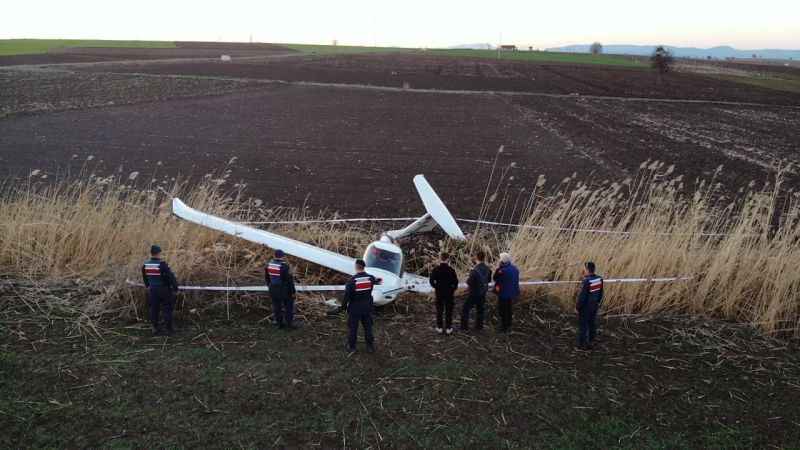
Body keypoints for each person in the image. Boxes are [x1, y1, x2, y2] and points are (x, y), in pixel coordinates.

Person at [342, 259, 380, 353]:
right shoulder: (370, 278)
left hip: (355, 308)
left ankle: (352, 347)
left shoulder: (352, 281)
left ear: (356, 267)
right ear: (364, 267)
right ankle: (370, 347)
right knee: (368, 327)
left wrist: (343, 307)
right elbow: (377, 281)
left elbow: (347, 296)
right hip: (367, 307)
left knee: (353, 328)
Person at [141, 244, 179, 335]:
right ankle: (169, 329)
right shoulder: (162, 264)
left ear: (151, 253)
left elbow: (145, 277)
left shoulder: (145, 265)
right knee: (167, 308)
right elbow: (171, 277)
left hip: (153, 290)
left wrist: (148, 286)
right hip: (164, 289)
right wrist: (175, 288)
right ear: (159, 253)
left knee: (154, 309)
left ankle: (155, 328)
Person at [266, 249, 297, 330]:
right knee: (288, 307)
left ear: (274, 255)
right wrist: (293, 292)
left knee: (277, 307)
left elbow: (267, 278)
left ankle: (279, 324)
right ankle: (289, 324)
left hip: (273, 289)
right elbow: (289, 281)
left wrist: (270, 286)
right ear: (283, 256)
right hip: (284, 290)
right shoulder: (284, 266)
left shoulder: (269, 265)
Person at [576, 261, 604, 350]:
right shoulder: (599, 279)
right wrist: (598, 302)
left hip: (585, 307)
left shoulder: (586, 281)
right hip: (594, 305)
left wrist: (578, 307)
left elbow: (582, 296)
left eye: (584, 269)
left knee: (583, 325)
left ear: (587, 270)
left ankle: (583, 344)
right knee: (592, 323)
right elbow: (601, 293)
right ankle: (592, 341)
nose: (583, 270)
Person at [429, 252, 459, 335]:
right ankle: (448, 328)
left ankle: (439, 327)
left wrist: (436, 287)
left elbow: (431, 281)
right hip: (449, 293)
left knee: (439, 310)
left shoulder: (436, 269)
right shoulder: (451, 270)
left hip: (439, 292)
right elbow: (456, 282)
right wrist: (453, 289)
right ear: (448, 259)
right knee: (449, 310)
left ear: (440, 258)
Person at [461, 250, 491, 331]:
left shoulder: (474, 270)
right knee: (480, 309)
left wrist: (467, 281)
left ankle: (464, 327)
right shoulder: (488, 269)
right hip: (483, 292)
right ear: (484, 258)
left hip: (474, 293)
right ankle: (479, 327)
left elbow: (470, 282)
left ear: (476, 258)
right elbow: (488, 280)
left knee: (465, 309)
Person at [493, 252, 520, 333]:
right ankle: (509, 324)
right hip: (512, 293)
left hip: (504, 293)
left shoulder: (502, 270)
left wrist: (498, 268)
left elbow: (495, 278)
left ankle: (504, 327)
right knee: (509, 309)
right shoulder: (515, 269)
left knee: (503, 310)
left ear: (502, 261)